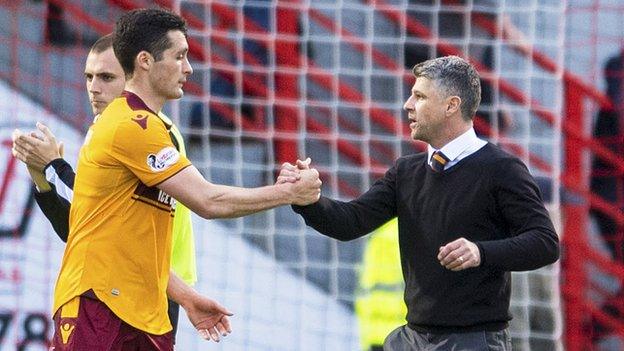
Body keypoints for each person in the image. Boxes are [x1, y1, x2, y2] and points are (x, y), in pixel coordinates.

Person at [26, 8, 320, 351]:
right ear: (146, 61)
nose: (189, 68)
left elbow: (132, 243)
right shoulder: (130, 126)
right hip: (98, 303)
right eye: (179, 56)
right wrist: (288, 192)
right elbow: (208, 201)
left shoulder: (155, 129)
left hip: (146, 310)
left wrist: (187, 297)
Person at [280, 55, 559, 350]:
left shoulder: (502, 169)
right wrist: (307, 200)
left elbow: (545, 243)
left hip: (474, 341)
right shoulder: (405, 171)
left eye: (420, 96)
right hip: (411, 339)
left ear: (451, 106)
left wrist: (481, 252)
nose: (407, 105)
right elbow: (350, 222)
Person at [11, 33, 214, 345]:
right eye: (89, 77)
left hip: (149, 289)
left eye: (106, 77)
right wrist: (43, 178)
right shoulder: (113, 129)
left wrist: (57, 166)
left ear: (134, 77)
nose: (94, 88)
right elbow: (83, 226)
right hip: (131, 283)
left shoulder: (149, 132)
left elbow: (94, 211)